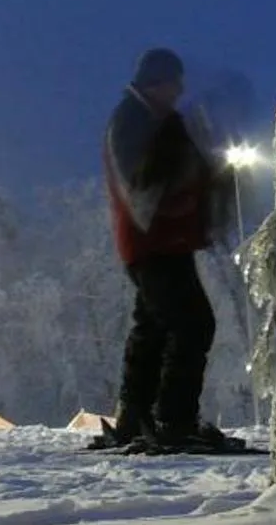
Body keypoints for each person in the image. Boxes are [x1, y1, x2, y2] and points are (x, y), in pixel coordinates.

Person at [96, 47, 239, 454]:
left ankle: (135, 418)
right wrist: (196, 170)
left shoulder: (152, 119)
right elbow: (145, 185)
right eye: (175, 82)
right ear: (156, 82)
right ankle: (174, 419)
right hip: (154, 242)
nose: (180, 90)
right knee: (193, 324)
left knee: (154, 327)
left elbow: (180, 171)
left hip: (157, 241)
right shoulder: (134, 120)